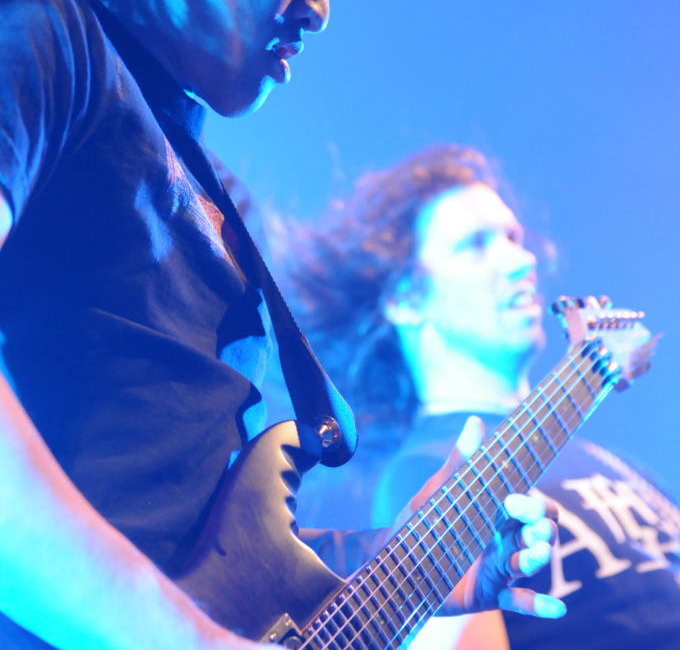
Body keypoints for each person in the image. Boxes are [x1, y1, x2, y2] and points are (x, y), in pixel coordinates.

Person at [0, 0, 563, 650]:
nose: (321, 4)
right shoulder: (54, 41)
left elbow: (213, 554)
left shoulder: (211, 194)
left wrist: (428, 569)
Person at [279, 145, 680, 649]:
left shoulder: (613, 461)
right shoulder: (426, 474)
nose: (521, 260)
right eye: (476, 244)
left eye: (513, 238)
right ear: (406, 299)